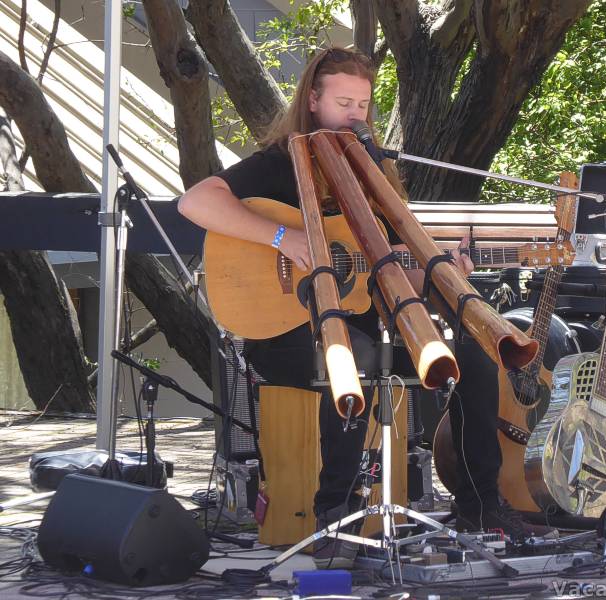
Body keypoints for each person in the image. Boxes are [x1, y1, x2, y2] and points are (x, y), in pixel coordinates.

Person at [179, 47, 547, 570]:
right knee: (347, 353)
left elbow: (394, 265)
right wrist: (282, 236)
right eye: (344, 101)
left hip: (367, 332)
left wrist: (444, 267)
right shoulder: (281, 161)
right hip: (286, 337)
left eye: (364, 104)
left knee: (472, 346)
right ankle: (337, 518)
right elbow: (194, 202)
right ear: (313, 99)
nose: (356, 114)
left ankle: (480, 507)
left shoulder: (374, 168)